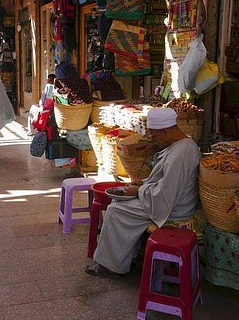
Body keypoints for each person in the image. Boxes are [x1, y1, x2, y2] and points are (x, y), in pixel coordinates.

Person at [85, 108, 201, 276]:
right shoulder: (181, 145)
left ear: (166, 131)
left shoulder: (182, 153)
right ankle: (124, 257)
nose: (155, 140)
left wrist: (139, 190)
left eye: (155, 135)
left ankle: (110, 266)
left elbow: (165, 194)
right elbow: (165, 182)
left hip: (174, 210)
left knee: (116, 210)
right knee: (119, 203)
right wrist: (144, 183)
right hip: (166, 200)